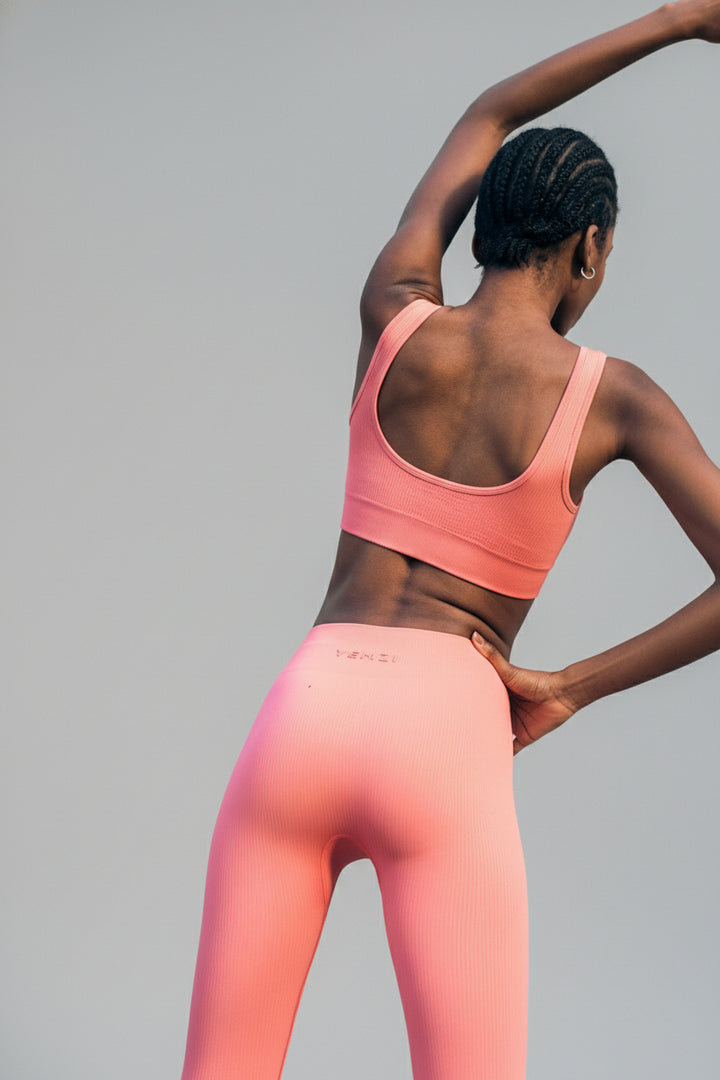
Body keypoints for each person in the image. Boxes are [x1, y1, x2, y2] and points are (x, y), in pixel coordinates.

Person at [180, 4, 720, 1078]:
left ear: (483, 225)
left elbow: (495, 108)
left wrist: (673, 21)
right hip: (447, 729)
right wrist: (570, 684)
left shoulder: (395, 313)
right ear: (591, 248)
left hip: (308, 706)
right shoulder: (616, 399)